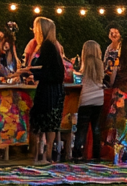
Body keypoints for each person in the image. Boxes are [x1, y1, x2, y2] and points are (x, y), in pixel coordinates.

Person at [29, 17, 65, 164]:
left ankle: (40, 154)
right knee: (50, 122)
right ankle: (47, 154)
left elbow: (44, 69)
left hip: (48, 89)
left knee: (42, 120)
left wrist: (32, 74)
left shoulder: (46, 46)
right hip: (55, 89)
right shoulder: (51, 46)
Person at [72, 40, 105, 163]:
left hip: (86, 98)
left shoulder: (85, 64)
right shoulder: (100, 64)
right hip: (99, 97)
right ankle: (96, 154)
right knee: (96, 127)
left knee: (82, 128)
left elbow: (79, 77)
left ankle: (77, 152)